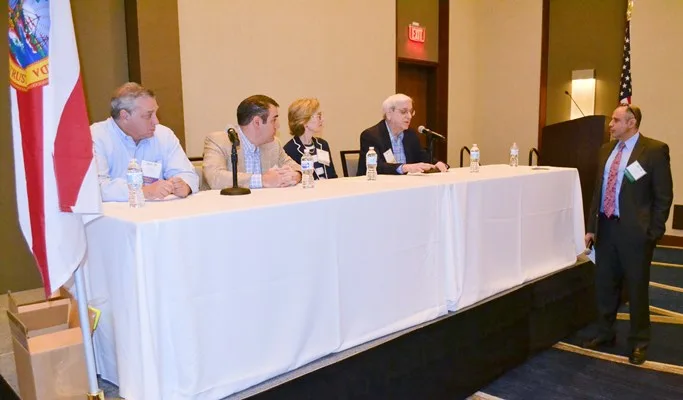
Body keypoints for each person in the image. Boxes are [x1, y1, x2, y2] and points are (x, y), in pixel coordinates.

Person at [582, 104, 673, 365]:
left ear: (631, 123)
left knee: (636, 287)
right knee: (605, 285)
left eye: (616, 120)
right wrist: (591, 227)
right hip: (606, 228)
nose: (610, 125)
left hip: (635, 233)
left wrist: (653, 232)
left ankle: (639, 341)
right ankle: (605, 332)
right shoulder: (605, 150)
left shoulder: (654, 150)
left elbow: (663, 195)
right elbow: (598, 190)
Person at [91, 82, 198, 201]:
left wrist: (184, 185)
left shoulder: (163, 134)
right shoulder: (95, 137)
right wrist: (142, 191)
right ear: (125, 116)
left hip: (159, 210)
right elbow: (96, 187)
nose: (156, 121)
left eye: (156, 113)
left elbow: (188, 174)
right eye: (148, 115)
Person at [203, 95, 301, 189]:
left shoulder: (274, 144)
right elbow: (214, 178)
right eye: (273, 120)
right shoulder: (219, 141)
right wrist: (262, 180)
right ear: (257, 122)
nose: (278, 126)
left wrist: (296, 175)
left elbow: (297, 167)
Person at [356, 93, 448, 176]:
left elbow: (422, 156)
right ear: (389, 114)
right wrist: (404, 168)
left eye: (411, 112)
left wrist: (437, 163)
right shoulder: (371, 135)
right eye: (404, 112)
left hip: (406, 185)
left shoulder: (410, 135)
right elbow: (375, 166)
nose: (409, 116)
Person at [283, 98, 338, 180]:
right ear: (304, 121)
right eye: (318, 116)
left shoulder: (323, 144)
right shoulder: (290, 149)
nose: (322, 119)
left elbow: (332, 176)